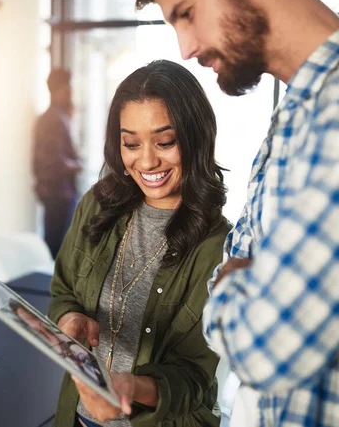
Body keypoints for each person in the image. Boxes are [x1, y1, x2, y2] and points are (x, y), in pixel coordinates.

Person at [136, 0, 339, 425]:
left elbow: (267, 347)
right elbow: (236, 295)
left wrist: (241, 287)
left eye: (187, 14)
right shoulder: (289, 123)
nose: (185, 47)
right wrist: (250, 286)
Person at [47, 59, 232, 427]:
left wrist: (133, 387)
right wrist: (69, 319)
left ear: (195, 137)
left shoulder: (219, 246)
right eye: (131, 143)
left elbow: (196, 376)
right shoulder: (98, 205)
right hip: (79, 417)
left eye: (165, 141)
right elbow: (63, 288)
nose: (146, 160)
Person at [33, 68, 82, 258]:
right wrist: (77, 165)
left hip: (60, 193)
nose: (70, 91)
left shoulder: (58, 116)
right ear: (58, 90)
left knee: (59, 245)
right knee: (57, 248)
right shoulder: (52, 119)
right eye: (67, 87)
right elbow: (52, 160)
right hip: (57, 194)